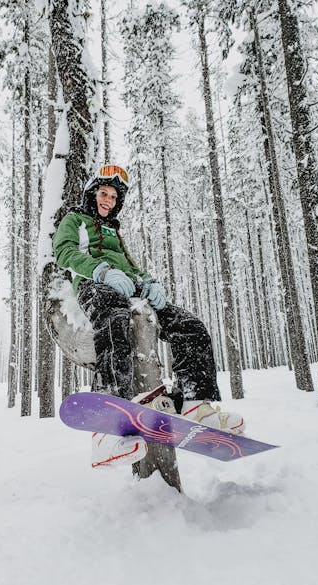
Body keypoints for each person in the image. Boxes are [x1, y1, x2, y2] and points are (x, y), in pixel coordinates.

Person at [53, 164, 244, 467]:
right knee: (115, 321)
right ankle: (107, 426)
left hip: (129, 290)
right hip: (93, 285)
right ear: (93, 193)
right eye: (103, 193)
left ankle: (194, 402)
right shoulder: (75, 220)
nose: (108, 201)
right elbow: (64, 252)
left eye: (114, 197)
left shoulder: (113, 231)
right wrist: (101, 270)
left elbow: (130, 266)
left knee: (189, 326)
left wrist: (148, 281)